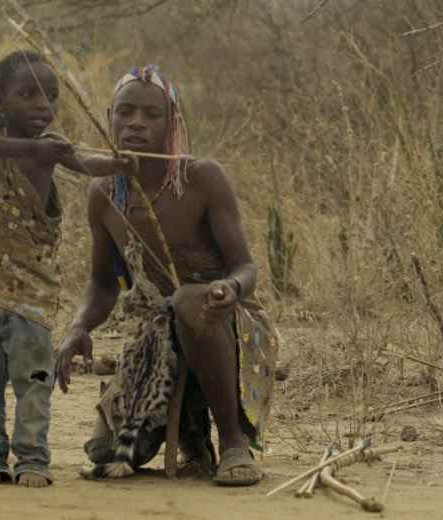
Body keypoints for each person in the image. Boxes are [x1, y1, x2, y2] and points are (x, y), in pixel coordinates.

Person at [55, 65, 280, 487]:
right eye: (125, 112)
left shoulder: (201, 178)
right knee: (108, 454)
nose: (136, 122)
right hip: (157, 340)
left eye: (151, 114)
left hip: (224, 324)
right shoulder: (104, 193)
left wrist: (228, 289)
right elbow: (103, 284)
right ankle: (192, 438)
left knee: (189, 302)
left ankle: (233, 441)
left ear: (171, 121)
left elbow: (246, 268)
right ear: (109, 117)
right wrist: (78, 326)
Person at [0, 49, 131, 488]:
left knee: (33, 376)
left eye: (51, 96)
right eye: (27, 94)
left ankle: (33, 458)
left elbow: (86, 164)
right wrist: (35, 149)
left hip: (30, 289)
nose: (43, 105)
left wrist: (116, 164)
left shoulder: (51, 148)